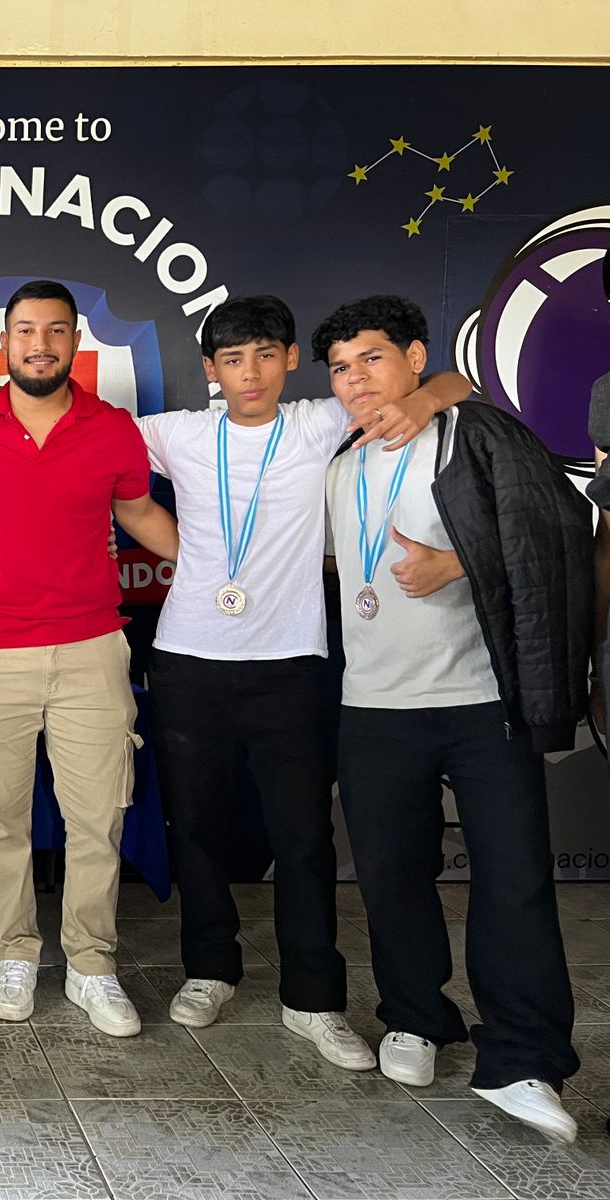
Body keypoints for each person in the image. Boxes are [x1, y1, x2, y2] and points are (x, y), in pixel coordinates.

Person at [135, 295, 467, 1068]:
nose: (249, 373)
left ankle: (313, 999)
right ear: (210, 369)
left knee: (304, 837)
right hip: (189, 659)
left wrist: (423, 401)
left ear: (290, 358)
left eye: (264, 354)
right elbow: (82, 436)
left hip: (292, 663)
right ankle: (209, 970)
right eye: (231, 359)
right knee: (198, 828)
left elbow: (458, 386)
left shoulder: (321, 421)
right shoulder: (177, 434)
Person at [320, 294, 588, 1141]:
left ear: (414, 357)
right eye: (340, 367)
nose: (356, 379)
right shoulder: (340, 459)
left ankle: (523, 1059)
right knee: (390, 876)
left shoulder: (474, 434)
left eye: (372, 358)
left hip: (479, 702)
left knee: (514, 880)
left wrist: (460, 564)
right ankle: (415, 1016)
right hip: (373, 706)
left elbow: (558, 530)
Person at [0, 279, 177, 1033]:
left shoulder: (112, 429)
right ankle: (16, 952)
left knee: (97, 818)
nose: (39, 344)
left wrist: (220, 572)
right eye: (25, 330)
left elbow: (137, 511)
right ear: (5, 342)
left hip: (90, 648)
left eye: (54, 331)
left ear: (75, 341)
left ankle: (91, 963)